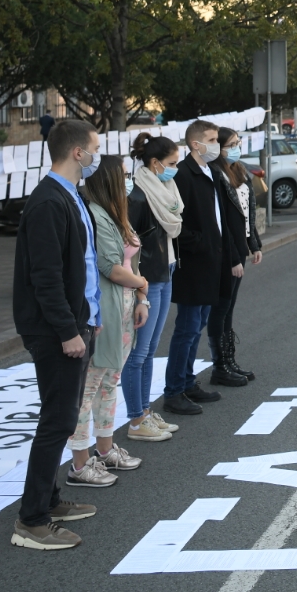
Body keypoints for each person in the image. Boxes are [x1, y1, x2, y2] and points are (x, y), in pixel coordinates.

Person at [10, 119, 103, 550]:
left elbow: (82, 264)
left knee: (61, 416)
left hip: (76, 322)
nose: (97, 155)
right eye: (94, 148)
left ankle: (48, 499)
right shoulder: (49, 201)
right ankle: (31, 520)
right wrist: (68, 330)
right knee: (58, 421)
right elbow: (45, 277)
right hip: (55, 331)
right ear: (77, 153)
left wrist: (90, 315)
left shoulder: (71, 195)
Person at [66, 155, 147, 486]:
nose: (129, 181)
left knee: (109, 382)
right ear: (108, 180)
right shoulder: (96, 216)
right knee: (89, 389)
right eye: (124, 175)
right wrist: (142, 285)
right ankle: (79, 463)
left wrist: (141, 298)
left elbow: (131, 263)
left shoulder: (116, 213)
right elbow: (110, 267)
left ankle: (105, 449)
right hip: (105, 312)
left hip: (124, 309)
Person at [162, 120, 242, 416]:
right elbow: (175, 222)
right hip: (194, 265)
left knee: (197, 327)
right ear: (195, 144)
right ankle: (174, 391)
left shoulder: (210, 172)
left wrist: (227, 254)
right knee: (186, 329)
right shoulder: (184, 174)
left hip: (212, 262)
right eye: (211, 140)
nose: (216, 145)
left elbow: (220, 220)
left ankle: (187, 382)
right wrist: (201, 243)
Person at [123, 134, 183, 443]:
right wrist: (139, 290)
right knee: (138, 352)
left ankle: (145, 412)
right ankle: (136, 420)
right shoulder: (137, 195)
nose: (175, 169)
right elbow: (128, 246)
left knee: (149, 351)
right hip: (147, 278)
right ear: (155, 163)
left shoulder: (166, 188)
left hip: (166, 269)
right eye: (172, 163)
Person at [207, 127, 261, 386]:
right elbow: (222, 222)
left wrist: (254, 243)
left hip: (240, 247)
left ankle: (229, 361)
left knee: (229, 309)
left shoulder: (239, 170)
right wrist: (233, 259)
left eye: (238, 143)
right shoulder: (215, 175)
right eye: (231, 144)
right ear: (218, 148)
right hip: (227, 252)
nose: (237, 148)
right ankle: (220, 366)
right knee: (220, 309)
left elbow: (247, 212)